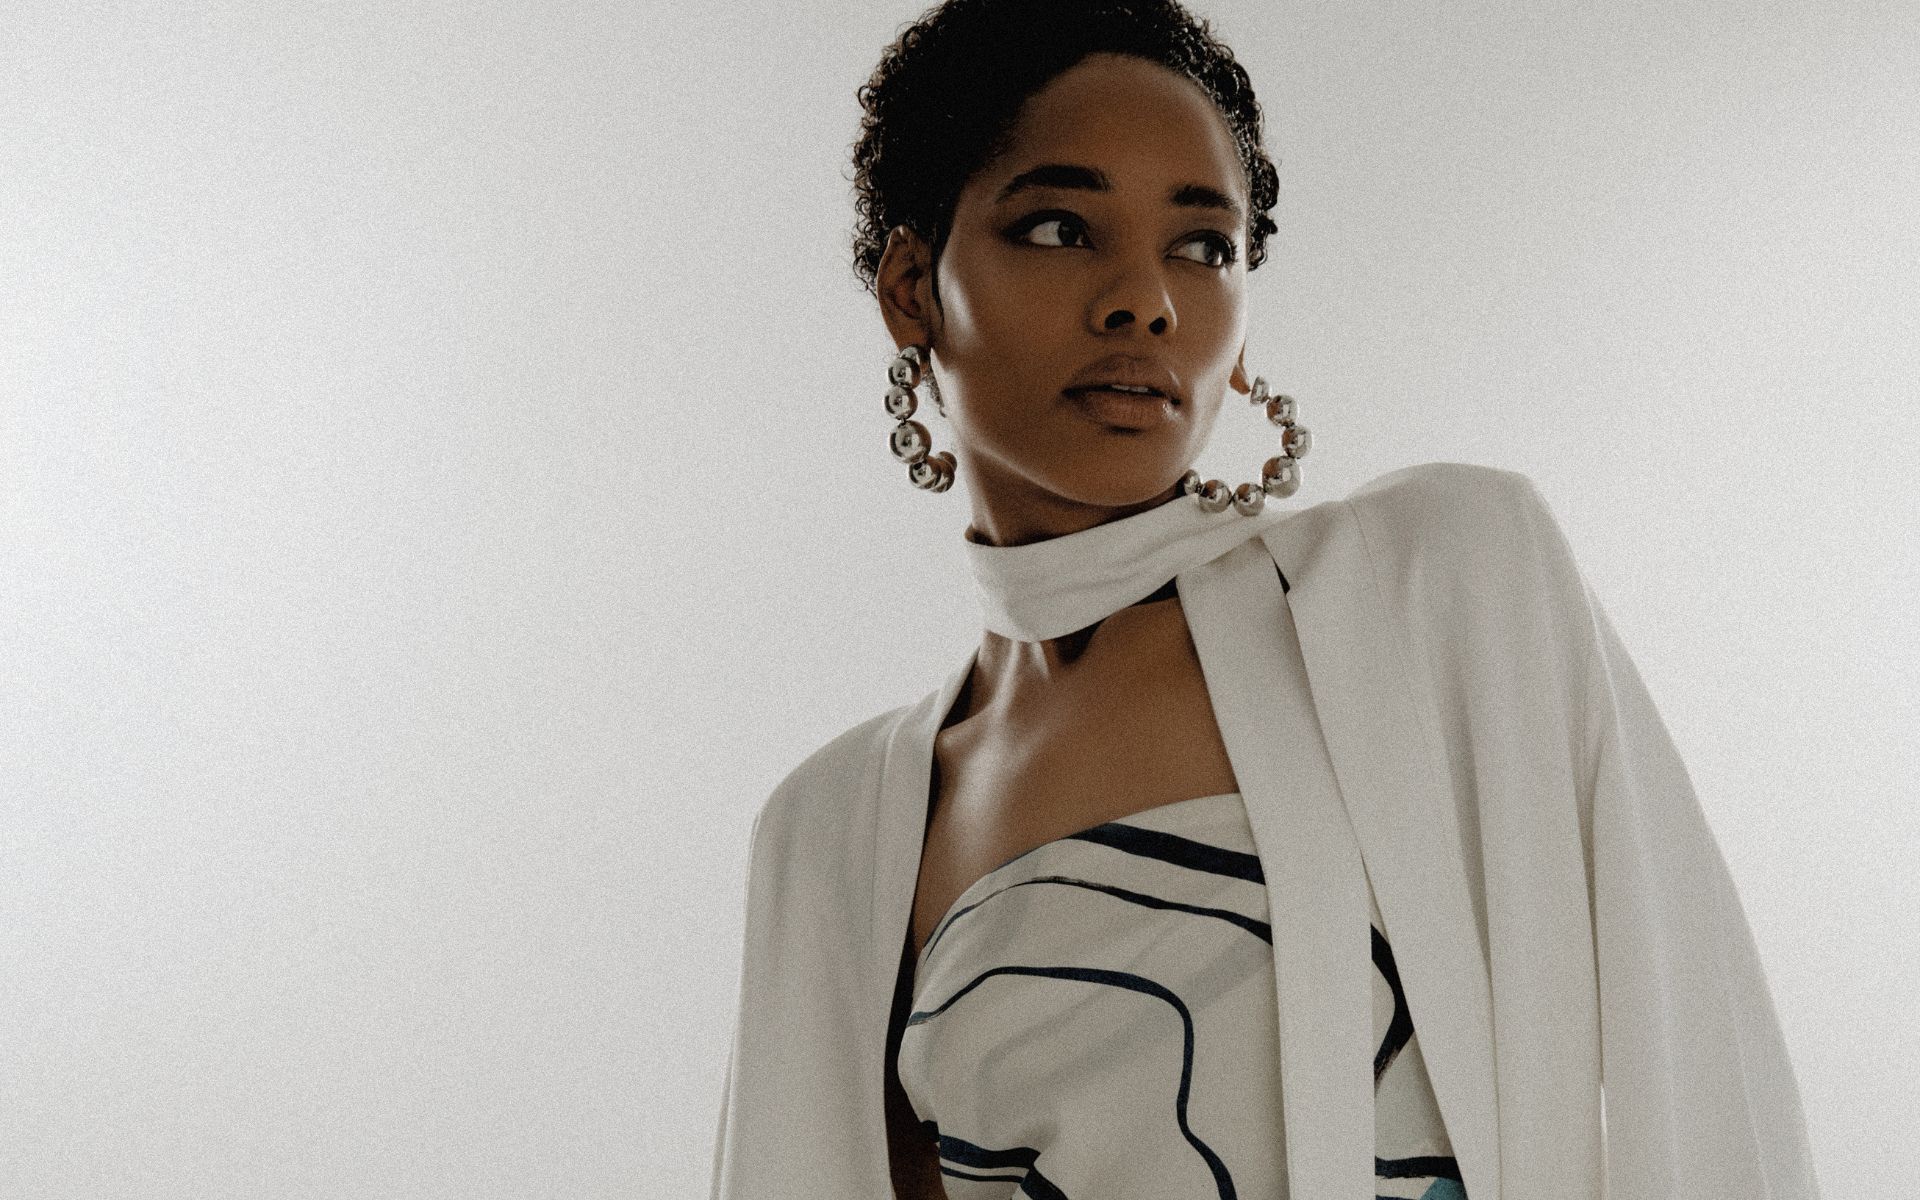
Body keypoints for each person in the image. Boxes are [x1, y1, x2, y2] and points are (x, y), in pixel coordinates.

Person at [709, 2, 1821, 1198]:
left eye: (1202, 247)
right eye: (1059, 228)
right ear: (912, 290)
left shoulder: (1448, 582)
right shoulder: (835, 836)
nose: (1144, 299)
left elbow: (1699, 1074)